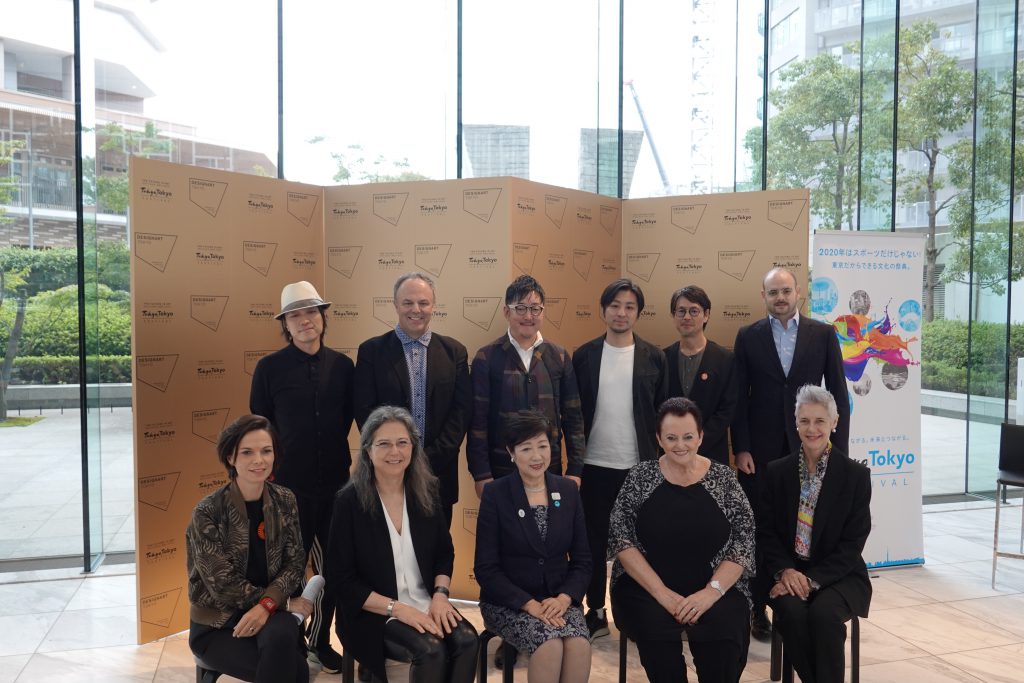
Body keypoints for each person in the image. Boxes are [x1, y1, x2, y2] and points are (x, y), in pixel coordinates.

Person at [731, 267, 849, 641]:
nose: (780, 298)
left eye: (785, 291)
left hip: (810, 446)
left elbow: (839, 394)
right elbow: (739, 396)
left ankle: (801, 596)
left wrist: (839, 453)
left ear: (798, 293)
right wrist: (741, 447)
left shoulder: (823, 334)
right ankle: (758, 607)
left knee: (804, 526)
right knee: (760, 527)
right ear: (763, 296)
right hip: (760, 452)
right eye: (773, 292)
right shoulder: (748, 336)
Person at [325, 405, 479, 683]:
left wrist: (441, 595)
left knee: (468, 641)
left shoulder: (426, 491)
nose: (394, 452)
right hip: (372, 612)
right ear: (368, 451)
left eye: (402, 443)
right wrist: (397, 609)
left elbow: (444, 553)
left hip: (426, 600)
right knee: (431, 651)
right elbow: (341, 580)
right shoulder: (348, 503)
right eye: (384, 444)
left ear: (413, 448)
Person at [250, 280, 355, 672]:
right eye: (295, 315)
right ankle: (289, 643)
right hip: (286, 491)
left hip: (336, 487)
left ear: (322, 318)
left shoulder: (343, 367)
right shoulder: (268, 369)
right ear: (285, 324)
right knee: (288, 572)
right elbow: (261, 428)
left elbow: (346, 419)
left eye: (311, 312)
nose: (305, 320)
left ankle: (319, 641)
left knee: (331, 571)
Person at [609, 397, 754, 683]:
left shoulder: (724, 479)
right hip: (646, 588)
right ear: (658, 439)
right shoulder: (640, 477)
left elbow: (744, 542)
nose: (680, 445)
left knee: (724, 635)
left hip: (715, 585)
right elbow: (621, 539)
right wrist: (662, 593)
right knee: (656, 636)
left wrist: (711, 593)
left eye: (688, 437)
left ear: (700, 436)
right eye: (671, 438)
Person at [571, 278, 667, 640]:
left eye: (629, 307)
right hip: (594, 465)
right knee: (592, 543)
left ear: (638, 313)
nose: (621, 313)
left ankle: (639, 612)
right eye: (614, 305)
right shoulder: (584, 355)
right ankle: (595, 611)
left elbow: (664, 413)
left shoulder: (654, 357)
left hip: (640, 466)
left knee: (642, 543)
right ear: (603, 310)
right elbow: (573, 412)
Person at [758, 385, 871, 683]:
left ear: (834, 423)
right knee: (793, 613)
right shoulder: (776, 472)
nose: (812, 429)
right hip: (788, 571)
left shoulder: (856, 476)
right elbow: (766, 532)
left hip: (840, 574)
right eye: (804, 421)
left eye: (820, 421)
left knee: (824, 615)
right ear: (795, 423)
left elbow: (852, 544)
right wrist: (785, 571)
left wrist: (811, 580)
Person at [187, 414, 312, 683]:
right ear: (230, 457)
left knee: (283, 644)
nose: (259, 460)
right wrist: (277, 603)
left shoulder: (285, 500)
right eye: (247, 452)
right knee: (295, 672)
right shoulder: (208, 512)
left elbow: (294, 563)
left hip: (272, 611)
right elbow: (222, 584)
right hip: (219, 623)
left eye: (266, 451)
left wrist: (267, 605)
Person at [474, 410, 593, 683]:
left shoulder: (567, 490)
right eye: (526, 448)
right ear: (511, 452)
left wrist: (564, 598)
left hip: (558, 600)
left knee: (578, 644)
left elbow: (583, 561)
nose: (537, 456)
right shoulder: (496, 494)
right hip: (509, 603)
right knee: (549, 645)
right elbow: (486, 568)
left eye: (542, 446)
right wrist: (528, 604)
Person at [354, 272, 472, 527]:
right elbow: (364, 411)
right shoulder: (371, 352)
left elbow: (461, 413)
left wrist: (428, 458)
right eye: (408, 302)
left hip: (438, 475)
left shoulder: (455, 352)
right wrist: (394, 453)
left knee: (437, 546)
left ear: (433, 306)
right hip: (387, 472)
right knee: (389, 545)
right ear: (396, 305)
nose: (415, 310)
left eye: (423, 303)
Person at [467, 274, 586, 498]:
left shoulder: (559, 356)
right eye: (520, 308)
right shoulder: (487, 357)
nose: (528, 316)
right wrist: (481, 474)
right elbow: (477, 423)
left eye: (535, 309)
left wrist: (575, 470)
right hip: (501, 470)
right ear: (506, 312)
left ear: (543, 312)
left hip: (549, 469)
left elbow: (574, 419)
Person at [663, 285, 737, 465]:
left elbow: (728, 409)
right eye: (681, 311)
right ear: (673, 315)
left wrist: (695, 441)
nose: (687, 317)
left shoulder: (725, 359)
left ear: (706, 315)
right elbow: (658, 407)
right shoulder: (663, 358)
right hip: (671, 454)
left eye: (694, 311)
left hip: (711, 455)